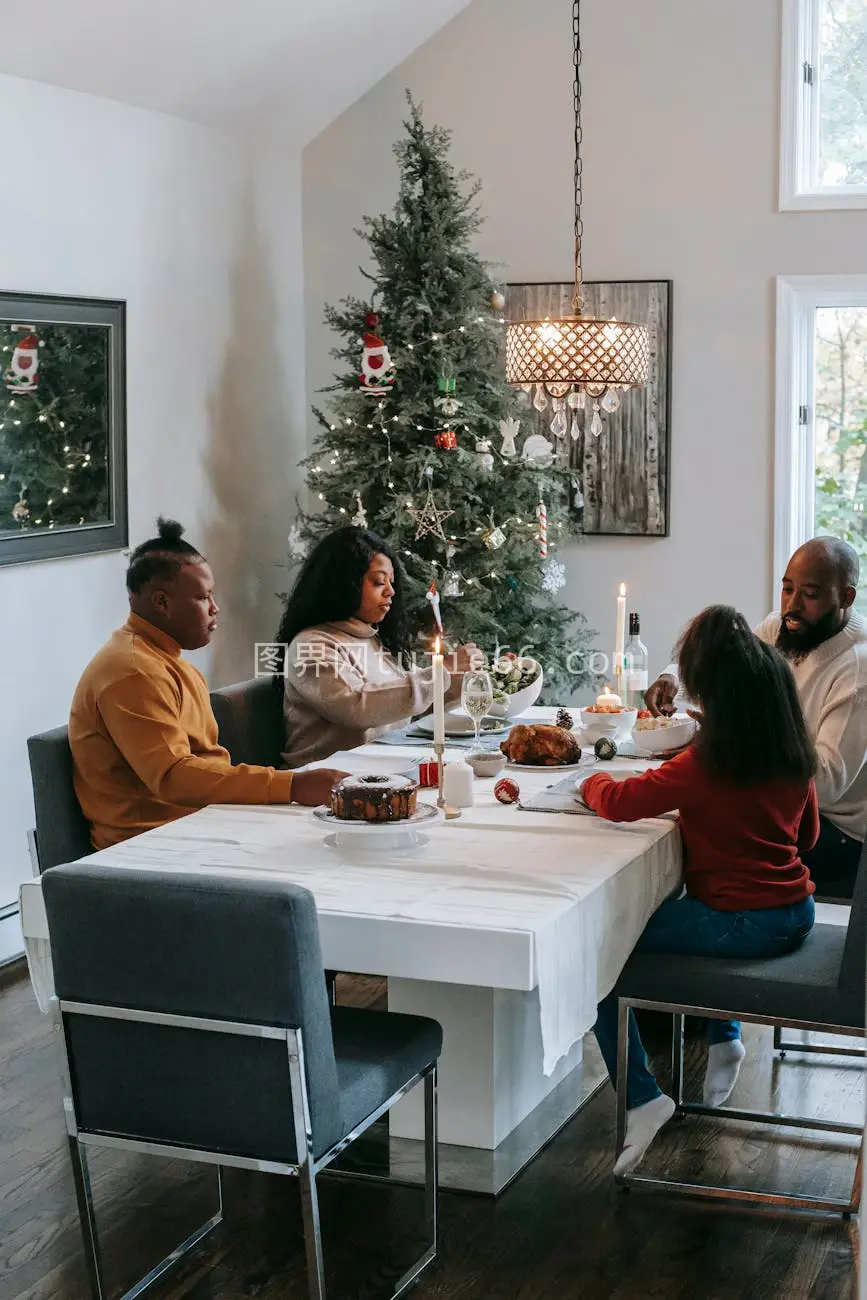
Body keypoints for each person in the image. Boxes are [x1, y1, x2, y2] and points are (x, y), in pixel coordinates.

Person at [581, 606, 818, 1175]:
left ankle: (642, 1099)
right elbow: (806, 836)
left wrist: (590, 780)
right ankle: (724, 1035)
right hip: (798, 911)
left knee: (596, 956)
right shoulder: (793, 758)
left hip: (742, 923)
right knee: (683, 911)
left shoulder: (704, 765)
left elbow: (620, 802)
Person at [70, 518, 345, 850]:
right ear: (161, 603)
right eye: (203, 598)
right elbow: (175, 778)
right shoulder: (132, 671)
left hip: (201, 823)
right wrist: (293, 786)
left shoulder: (162, 658)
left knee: (335, 834)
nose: (215, 609)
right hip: (151, 845)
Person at [645, 538, 867, 897]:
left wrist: (732, 743)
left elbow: (823, 785)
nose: (792, 606)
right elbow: (722, 663)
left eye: (810, 594)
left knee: (697, 825)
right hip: (783, 801)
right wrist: (673, 677)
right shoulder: (781, 627)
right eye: (787, 588)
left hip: (836, 834)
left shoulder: (859, 669)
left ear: (846, 598)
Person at [278, 526, 477, 767]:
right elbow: (356, 707)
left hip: (379, 770)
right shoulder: (311, 646)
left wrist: (459, 681)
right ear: (344, 583)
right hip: (322, 781)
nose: (391, 592)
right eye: (378, 582)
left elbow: (406, 706)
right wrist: (441, 672)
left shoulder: (374, 639)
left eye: (391, 583)